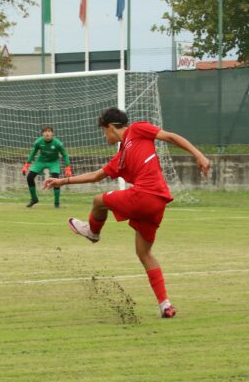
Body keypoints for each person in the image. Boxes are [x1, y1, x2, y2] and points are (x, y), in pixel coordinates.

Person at [43, 107, 211, 318]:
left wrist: (199, 155)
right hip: (157, 203)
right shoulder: (120, 157)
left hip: (146, 195)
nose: (104, 136)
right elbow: (97, 175)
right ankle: (165, 305)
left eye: (104, 131)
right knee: (144, 253)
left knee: (98, 200)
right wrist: (63, 180)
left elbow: (170, 137)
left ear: (111, 127)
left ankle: (92, 232)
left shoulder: (138, 129)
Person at [22, 126, 72, 208]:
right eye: (45, 131)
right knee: (30, 177)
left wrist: (68, 168)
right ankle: (34, 199)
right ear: (42, 134)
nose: (47, 133)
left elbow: (65, 155)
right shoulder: (38, 142)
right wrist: (26, 165)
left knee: (56, 179)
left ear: (52, 133)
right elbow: (33, 153)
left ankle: (56, 203)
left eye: (49, 131)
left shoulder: (58, 143)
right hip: (41, 161)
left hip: (53, 162)